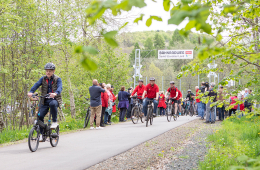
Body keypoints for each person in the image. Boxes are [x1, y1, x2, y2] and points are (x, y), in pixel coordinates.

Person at [28, 63, 62, 141]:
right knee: (39, 116)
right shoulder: (43, 79)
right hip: (44, 100)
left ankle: (54, 121)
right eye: (47, 71)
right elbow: (36, 84)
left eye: (50, 71)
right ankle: (42, 134)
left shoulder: (57, 79)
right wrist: (31, 91)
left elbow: (60, 87)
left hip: (54, 99)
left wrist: (55, 93)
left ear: (53, 71)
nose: (48, 72)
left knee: (52, 104)